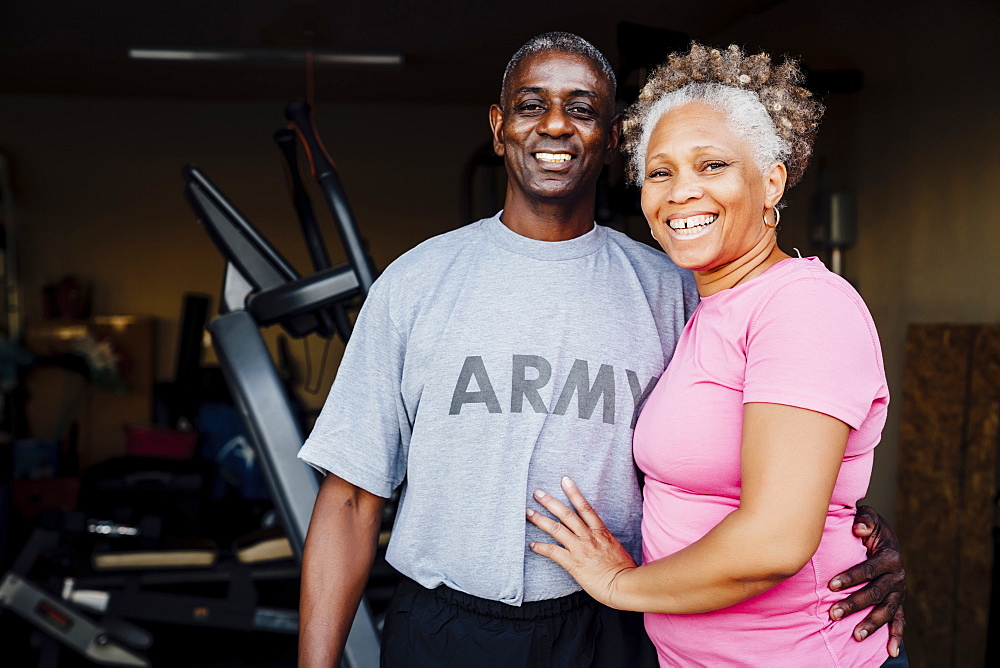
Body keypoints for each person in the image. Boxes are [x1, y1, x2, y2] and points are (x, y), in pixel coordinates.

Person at [297, 33, 905, 668]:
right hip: (444, 624)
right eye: (531, 105)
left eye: (583, 109)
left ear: (612, 138)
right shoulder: (415, 283)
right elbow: (347, 499)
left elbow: (780, 460)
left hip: (611, 622)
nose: (556, 124)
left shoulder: (677, 292)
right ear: (499, 126)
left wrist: (849, 533)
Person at [526, 42, 906, 667]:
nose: (681, 192)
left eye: (712, 165)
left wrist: (620, 587)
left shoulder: (804, 306)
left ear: (772, 181)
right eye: (660, 171)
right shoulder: (705, 308)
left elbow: (777, 540)